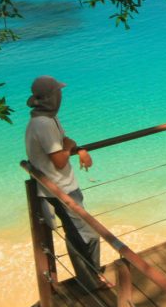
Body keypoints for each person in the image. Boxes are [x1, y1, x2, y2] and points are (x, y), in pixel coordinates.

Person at [24, 75, 106, 291]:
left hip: (64, 186)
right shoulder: (43, 124)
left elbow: (65, 143)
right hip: (60, 190)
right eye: (58, 92)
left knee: (78, 234)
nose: (61, 96)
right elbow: (60, 159)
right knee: (89, 236)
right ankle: (92, 282)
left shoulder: (48, 118)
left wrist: (77, 149)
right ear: (51, 97)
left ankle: (89, 278)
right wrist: (70, 148)